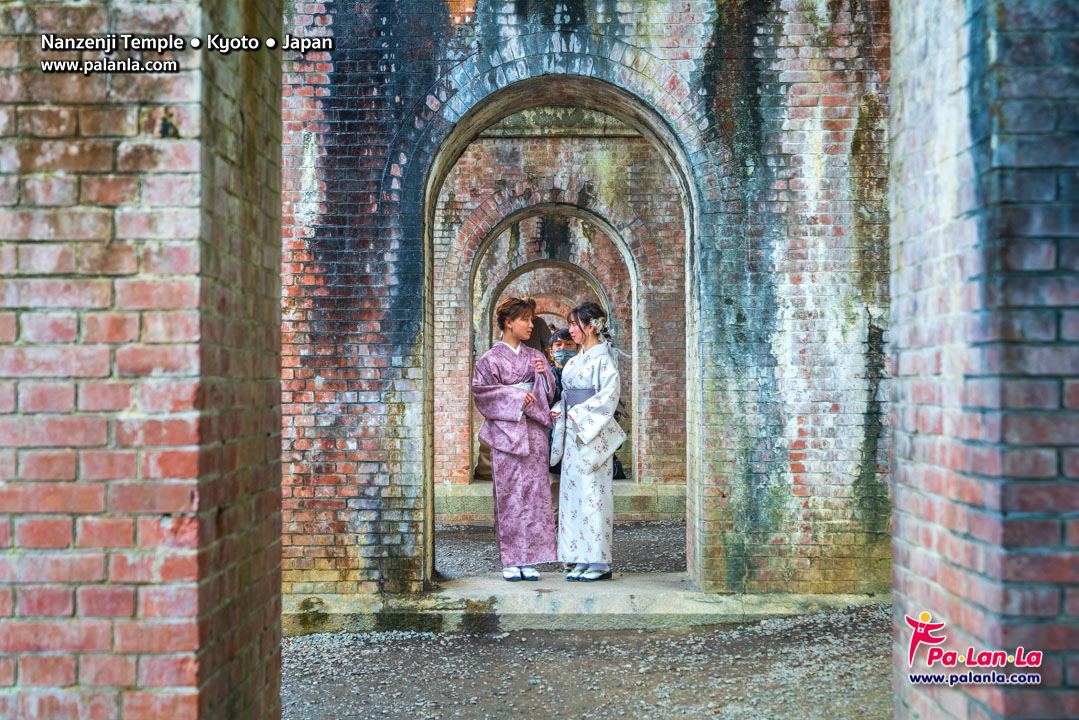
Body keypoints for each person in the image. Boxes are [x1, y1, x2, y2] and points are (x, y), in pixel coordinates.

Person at [472, 297, 558, 581]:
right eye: (526, 320)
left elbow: (548, 393)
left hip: (533, 432)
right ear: (508, 322)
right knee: (509, 496)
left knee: (534, 494)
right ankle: (511, 559)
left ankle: (530, 559)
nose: (531, 325)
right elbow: (482, 395)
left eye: (531, 320)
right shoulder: (489, 360)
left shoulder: (535, 356)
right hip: (506, 434)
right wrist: (517, 396)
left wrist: (545, 377)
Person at [549, 302, 625, 582]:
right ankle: (578, 558)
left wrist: (578, 412)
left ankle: (600, 562)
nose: (569, 330)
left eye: (573, 325)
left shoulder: (604, 358)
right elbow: (569, 393)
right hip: (572, 433)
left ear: (590, 327)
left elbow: (608, 397)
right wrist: (561, 406)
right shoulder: (577, 359)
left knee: (593, 496)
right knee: (572, 498)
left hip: (590, 434)